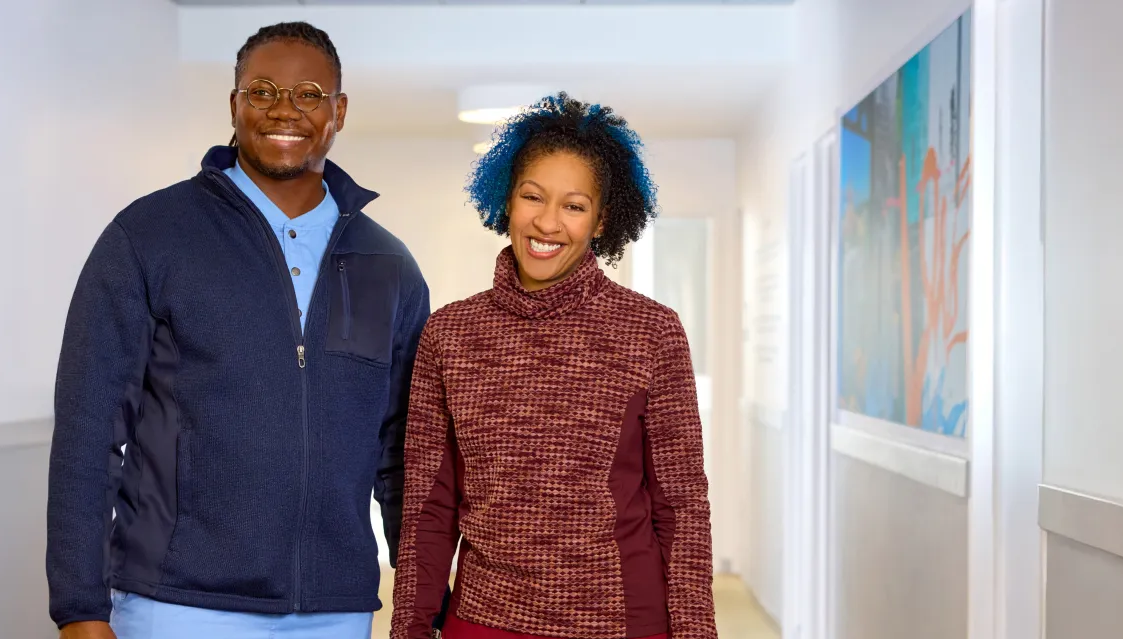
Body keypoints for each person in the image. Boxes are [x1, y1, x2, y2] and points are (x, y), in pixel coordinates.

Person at [47, 21, 429, 639]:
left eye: (308, 93)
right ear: (234, 106)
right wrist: (80, 609)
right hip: (177, 604)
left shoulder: (386, 266)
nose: (285, 109)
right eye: (262, 91)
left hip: (337, 610)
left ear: (339, 112)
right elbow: (88, 432)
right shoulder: (149, 236)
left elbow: (401, 454)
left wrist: (415, 607)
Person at [390, 94, 717, 639]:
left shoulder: (651, 332)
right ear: (507, 201)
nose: (548, 222)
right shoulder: (450, 334)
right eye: (532, 197)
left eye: (574, 205)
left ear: (601, 219)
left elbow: (681, 507)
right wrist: (411, 628)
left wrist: (695, 631)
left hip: (621, 622)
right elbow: (430, 504)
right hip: (484, 621)